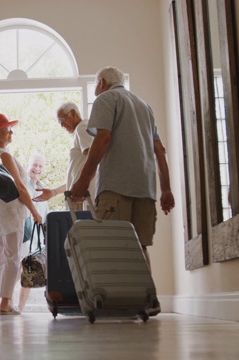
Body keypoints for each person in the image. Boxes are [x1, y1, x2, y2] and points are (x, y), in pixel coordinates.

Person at [69, 66, 175, 316]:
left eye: (96, 85)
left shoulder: (106, 99)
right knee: (140, 246)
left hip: (116, 186)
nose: (95, 90)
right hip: (145, 187)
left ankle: (116, 303)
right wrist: (166, 189)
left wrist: (84, 180)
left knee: (112, 244)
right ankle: (149, 301)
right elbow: (159, 150)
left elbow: (102, 139)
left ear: (102, 82)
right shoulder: (144, 106)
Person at [0, 114, 42, 315]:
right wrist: (35, 212)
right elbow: (20, 187)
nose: (11, 132)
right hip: (11, 212)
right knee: (12, 257)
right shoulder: (5, 155)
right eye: (7, 128)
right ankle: (6, 302)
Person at [33, 101, 95, 210]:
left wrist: (83, 185)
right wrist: (54, 192)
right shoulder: (80, 131)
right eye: (59, 122)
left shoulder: (82, 128)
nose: (61, 125)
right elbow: (76, 178)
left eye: (62, 119)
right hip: (81, 196)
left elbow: (95, 158)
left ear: (73, 113)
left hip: (85, 197)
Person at [17, 152, 50, 312]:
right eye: (34, 165)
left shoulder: (43, 189)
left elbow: (44, 217)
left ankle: (20, 309)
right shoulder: (23, 184)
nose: (37, 169)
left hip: (37, 241)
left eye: (40, 166)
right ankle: (5, 301)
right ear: (28, 166)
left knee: (28, 272)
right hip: (23, 235)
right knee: (17, 269)